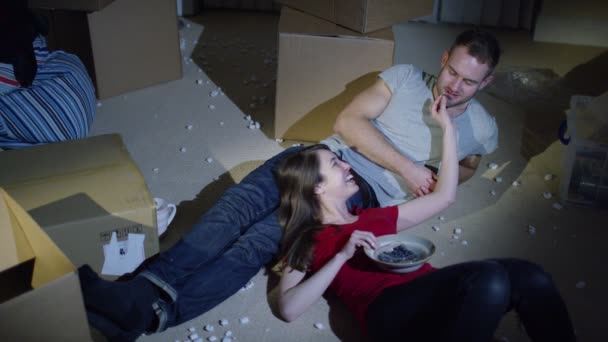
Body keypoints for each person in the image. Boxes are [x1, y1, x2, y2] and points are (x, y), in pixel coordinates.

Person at [77, 28, 501, 341]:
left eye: (468, 81)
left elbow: (464, 169)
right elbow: (348, 122)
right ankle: (142, 292)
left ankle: (154, 313)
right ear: (444, 58)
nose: (454, 86)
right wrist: (410, 169)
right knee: (237, 206)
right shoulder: (407, 77)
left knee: (262, 238)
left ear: (486, 84)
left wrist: (437, 174)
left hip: (358, 191)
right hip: (324, 157)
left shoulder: (481, 128)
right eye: (452, 72)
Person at [275, 95, 576, 341]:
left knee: (529, 275)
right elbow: (288, 307)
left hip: (433, 293)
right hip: (389, 312)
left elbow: (443, 197)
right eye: (334, 163)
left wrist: (449, 131)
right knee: (490, 277)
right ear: (317, 186)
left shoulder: (372, 216)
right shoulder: (309, 238)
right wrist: (341, 255)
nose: (345, 165)